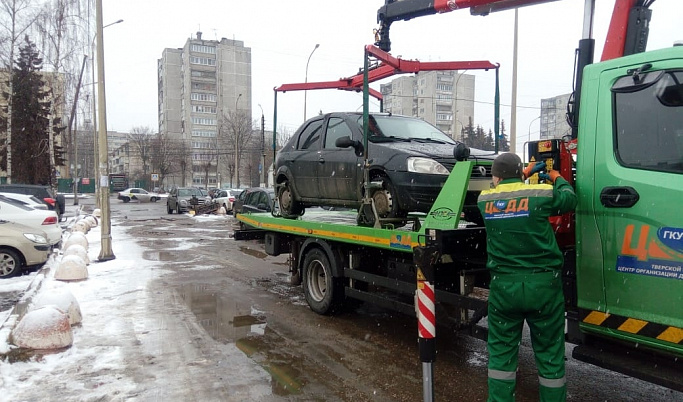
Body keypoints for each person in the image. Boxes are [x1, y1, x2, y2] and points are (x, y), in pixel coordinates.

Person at [477, 152, 577, 402]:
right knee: (550, 356)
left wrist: (521, 174)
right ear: (519, 172)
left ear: (495, 176)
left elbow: (507, 193)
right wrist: (557, 177)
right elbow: (569, 200)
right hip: (543, 286)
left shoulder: (484, 200)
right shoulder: (540, 194)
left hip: (504, 287)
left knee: (501, 356)